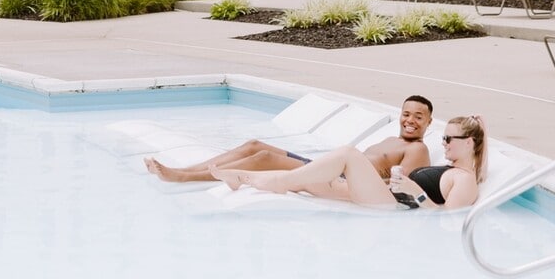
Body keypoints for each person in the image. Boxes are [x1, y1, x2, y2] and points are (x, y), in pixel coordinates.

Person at [214, 115, 488, 210]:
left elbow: (447, 219)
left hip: (394, 206)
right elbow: (480, 159)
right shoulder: (457, 170)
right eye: (443, 137)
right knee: (311, 184)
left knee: (347, 154)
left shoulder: (464, 181)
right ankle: (240, 178)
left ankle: (273, 182)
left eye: (450, 139)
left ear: (468, 143)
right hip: (384, 193)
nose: (444, 143)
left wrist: (415, 194)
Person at [144, 95, 433, 184]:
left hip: (340, 179)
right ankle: (190, 167)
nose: (410, 120)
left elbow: (399, 186)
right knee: (254, 144)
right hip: (328, 166)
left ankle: (183, 177)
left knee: (264, 159)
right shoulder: (390, 140)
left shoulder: (417, 149)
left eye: (418, 117)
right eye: (407, 113)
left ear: (428, 123)